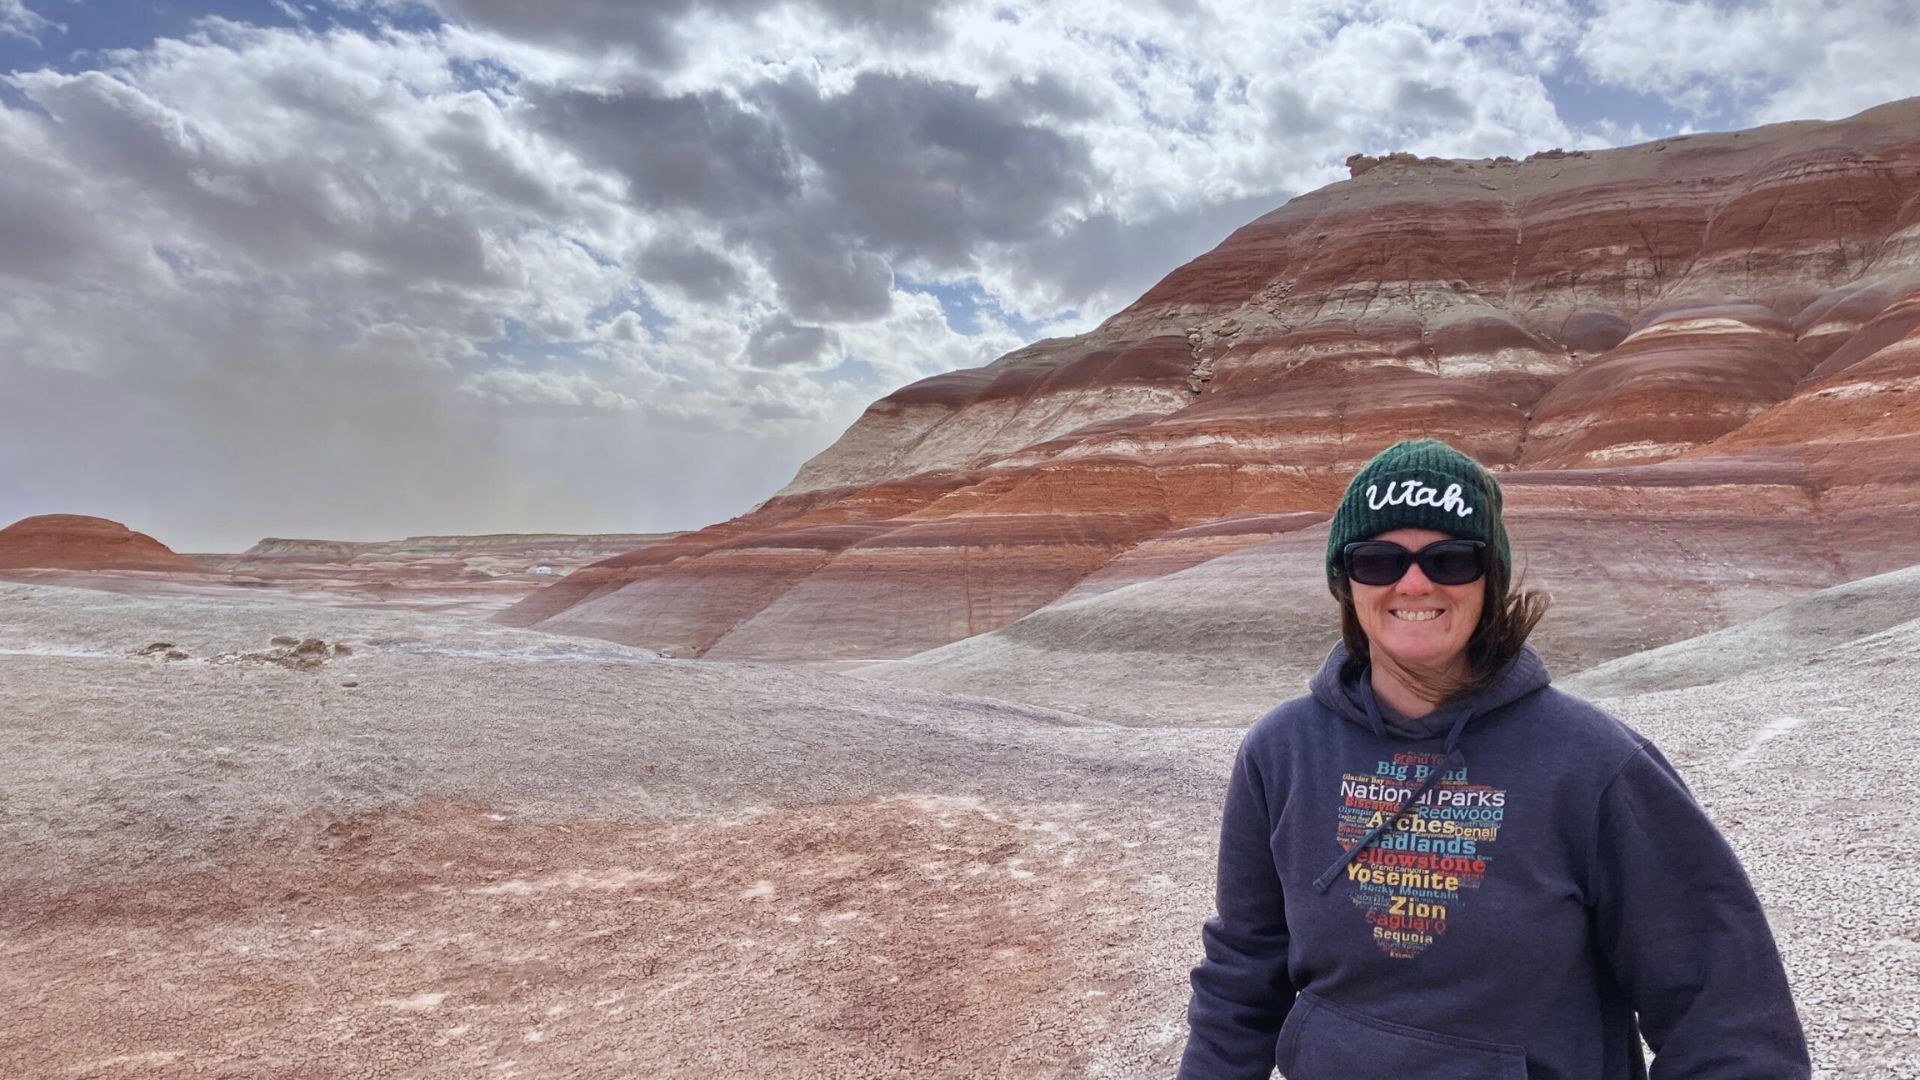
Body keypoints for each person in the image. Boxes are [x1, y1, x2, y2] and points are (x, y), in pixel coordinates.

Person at [1177, 438, 1810, 1079]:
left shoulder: (1595, 764)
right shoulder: (1282, 752)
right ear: (1346, 582)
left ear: (1491, 581)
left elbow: (1727, 1017)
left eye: (1450, 560)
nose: (1414, 582)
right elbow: (1242, 978)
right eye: (1378, 560)